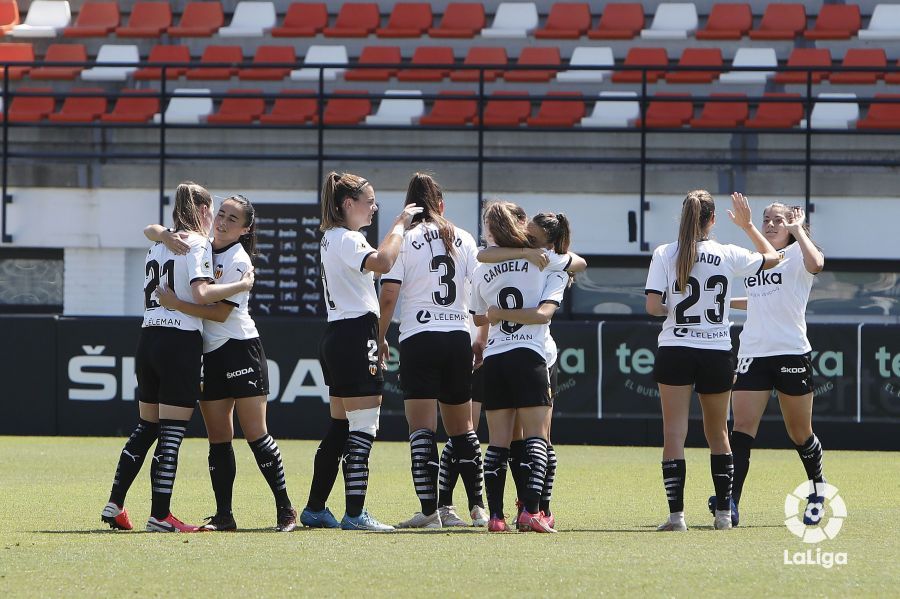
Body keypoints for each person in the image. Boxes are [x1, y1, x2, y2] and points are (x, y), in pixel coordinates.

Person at [100, 182, 252, 532]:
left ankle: (115, 503)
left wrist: (163, 232)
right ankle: (160, 515)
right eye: (211, 210)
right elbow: (201, 293)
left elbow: (152, 232)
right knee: (171, 433)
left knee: (146, 427)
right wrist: (241, 285)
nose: (214, 218)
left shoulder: (158, 244)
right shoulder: (197, 244)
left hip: (148, 338)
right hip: (179, 342)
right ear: (201, 210)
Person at [147, 194, 298, 532]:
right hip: (210, 353)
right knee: (218, 438)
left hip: (239, 346)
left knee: (257, 434)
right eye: (223, 213)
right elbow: (151, 229)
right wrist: (163, 234)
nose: (224, 221)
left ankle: (286, 510)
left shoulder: (239, 259)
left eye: (233, 218)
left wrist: (174, 303)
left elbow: (219, 312)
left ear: (246, 229)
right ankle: (224, 515)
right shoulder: (199, 245)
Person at [644, 191, 780, 532]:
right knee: (719, 433)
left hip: (675, 348)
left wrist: (672, 309)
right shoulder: (728, 253)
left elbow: (652, 306)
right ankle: (723, 515)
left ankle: (677, 518)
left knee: (673, 434)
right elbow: (772, 257)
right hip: (716, 351)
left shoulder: (665, 252)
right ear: (713, 220)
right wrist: (748, 226)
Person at [299, 171, 421, 532]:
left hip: (340, 332)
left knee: (339, 427)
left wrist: (377, 334)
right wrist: (399, 225)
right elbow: (383, 263)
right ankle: (355, 514)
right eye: (369, 201)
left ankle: (316, 508)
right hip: (353, 335)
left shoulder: (332, 239)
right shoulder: (348, 239)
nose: (374, 207)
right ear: (347, 204)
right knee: (364, 428)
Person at [706, 204, 827, 527]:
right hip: (753, 353)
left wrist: (799, 229)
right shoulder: (758, 259)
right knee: (741, 431)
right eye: (767, 220)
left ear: (791, 226)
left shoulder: (799, 255)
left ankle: (818, 490)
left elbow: (817, 264)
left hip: (791, 353)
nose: (772, 225)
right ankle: (731, 502)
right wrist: (722, 301)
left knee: (800, 433)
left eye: (780, 220)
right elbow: (758, 297)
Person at [376, 173, 486, 529]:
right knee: (463, 429)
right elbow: (481, 294)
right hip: (457, 335)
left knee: (422, 430)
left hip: (419, 336)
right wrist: (479, 336)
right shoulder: (464, 238)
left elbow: (390, 294)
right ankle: (477, 508)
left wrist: (379, 336)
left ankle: (430, 512)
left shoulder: (405, 238)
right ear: (440, 205)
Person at [478, 212, 587, 529]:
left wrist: (497, 313)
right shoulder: (545, 261)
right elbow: (545, 311)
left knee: (503, 441)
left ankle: (502, 515)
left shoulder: (504, 262)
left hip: (500, 354)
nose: (527, 238)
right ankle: (533, 509)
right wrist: (532, 253)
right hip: (531, 354)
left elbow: (481, 257)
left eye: (532, 236)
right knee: (537, 439)